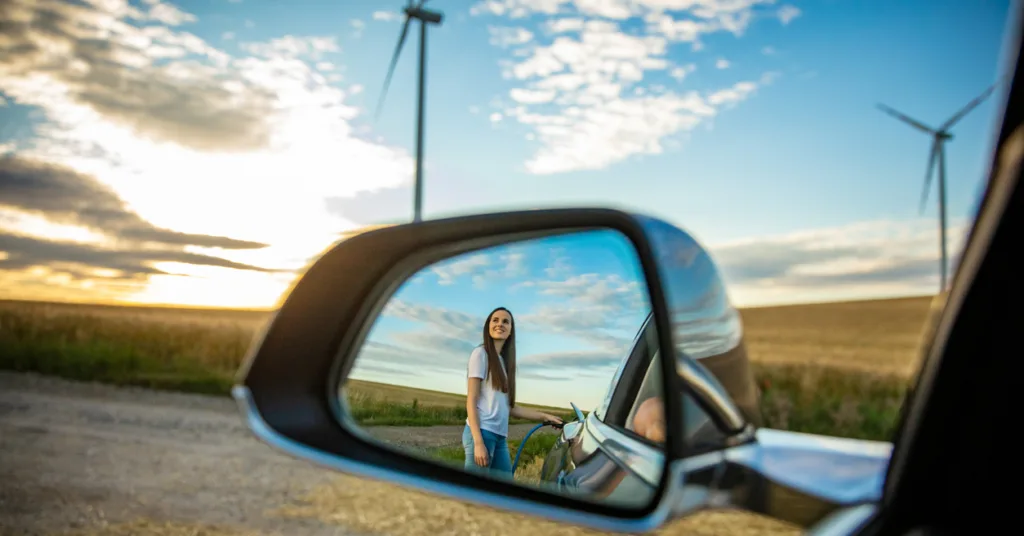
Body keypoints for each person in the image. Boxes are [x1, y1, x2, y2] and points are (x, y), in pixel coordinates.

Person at [463, 306, 564, 474]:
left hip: (499, 437)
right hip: (482, 433)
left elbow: (510, 408)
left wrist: (546, 417)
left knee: (504, 489)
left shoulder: (503, 363)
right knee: (472, 490)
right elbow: (471, 400)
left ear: (511, 331)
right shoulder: (480, 354)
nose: (500, 324)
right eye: (495, 320)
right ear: (488, 326)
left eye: (505, 322)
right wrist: (478, 442)